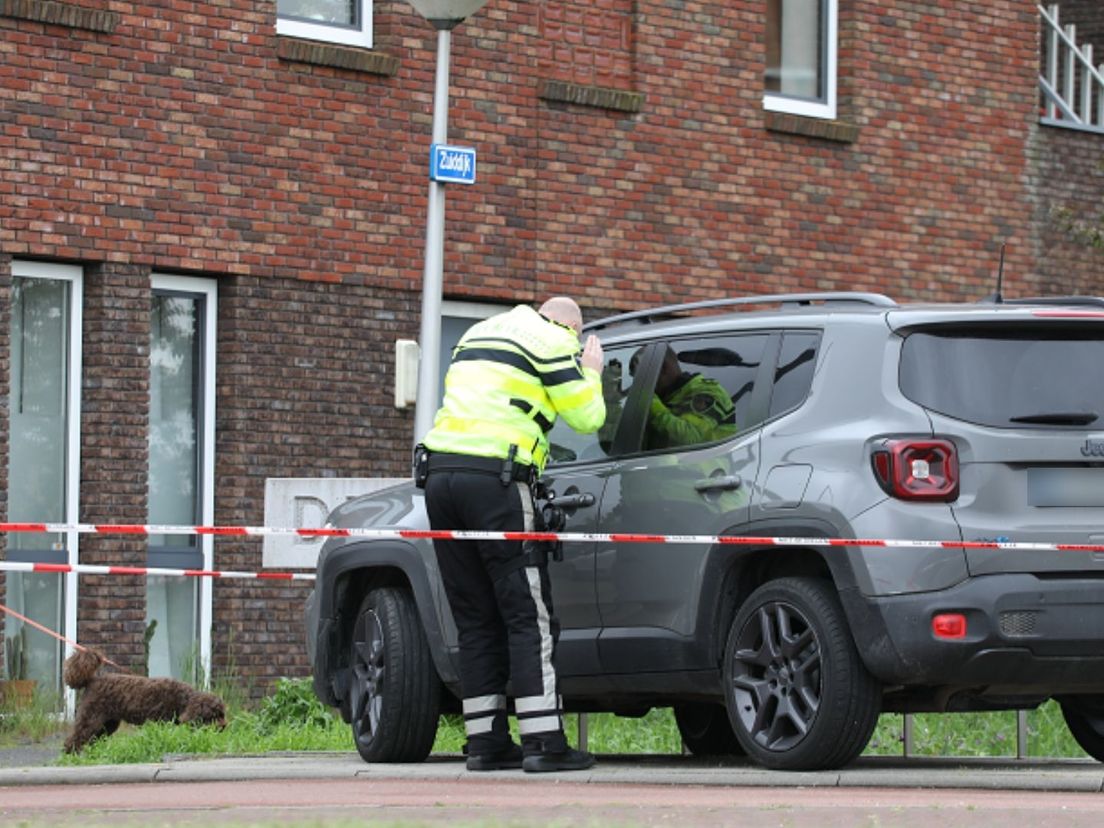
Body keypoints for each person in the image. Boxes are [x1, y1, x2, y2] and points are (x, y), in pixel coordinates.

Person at [420, 296, 605, 773]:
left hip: (440, 478)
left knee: (475, 614)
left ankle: (485, 742)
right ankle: (544, 740)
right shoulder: (554, 340)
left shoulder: (481, 331)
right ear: (571, 326)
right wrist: (591, 371)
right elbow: (588, 418)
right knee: (528, 613)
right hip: (496, 481)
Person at [638, 346, 737, 450]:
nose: (640, 385)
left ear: (663, 369)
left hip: (705, 465)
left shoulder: (707, 390)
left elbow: (692, 437)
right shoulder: (669, 397)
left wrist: (648, 399)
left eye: (640, 377)